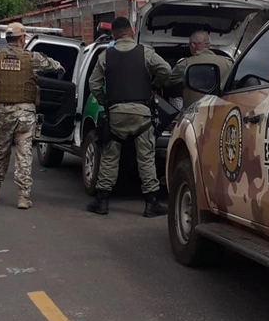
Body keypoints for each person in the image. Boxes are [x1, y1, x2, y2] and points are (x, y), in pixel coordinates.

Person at [87, 16, 171, 217]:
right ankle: (151, 204)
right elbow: (166, 70)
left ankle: (102, 202)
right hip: (141, 113)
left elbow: (94, 84)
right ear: (132, 31)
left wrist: (105, 101)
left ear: (113, 35)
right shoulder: (145, 53)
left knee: (109, 156)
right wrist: (154, 87)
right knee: (146, 158)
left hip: (116, 113)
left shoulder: (106, 56)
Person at [0, 23, 64, 209]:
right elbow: (55, 66)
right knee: (24, 155)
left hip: (2, 113)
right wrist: (61, 69)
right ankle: (23, 197)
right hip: (25, 115)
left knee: (0, 153)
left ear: (7, 38)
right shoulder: (32, 58)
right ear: (22, 38)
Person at [166, 30, 234, 109]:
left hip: (194, 113)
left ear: (193, 45)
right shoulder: (227, 62)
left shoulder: (185, 64)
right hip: (221, 110)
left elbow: (168, 84)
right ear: (208, 44)